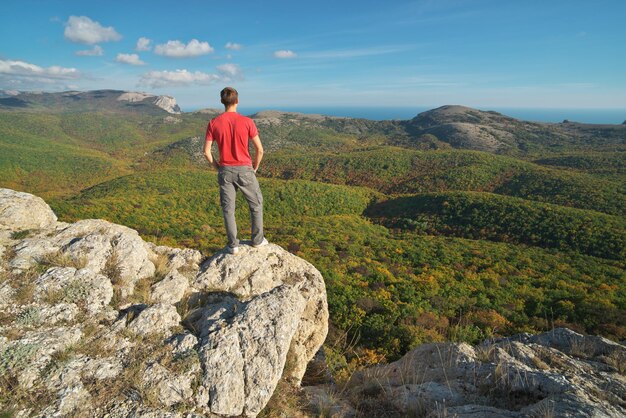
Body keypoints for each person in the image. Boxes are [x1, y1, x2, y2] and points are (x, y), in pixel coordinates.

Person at [203, 87, 268, 254]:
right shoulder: (247, 122)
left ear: (221, 102)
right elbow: (260, 150)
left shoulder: (214, 123)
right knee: (256, 205)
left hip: (225, 170)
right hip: (245, 169)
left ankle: (233, 245)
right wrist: (255, 167)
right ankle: (257, 240)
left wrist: (216, 166)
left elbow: (206, 152)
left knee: (228, 209)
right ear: (237, 101)